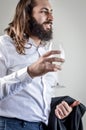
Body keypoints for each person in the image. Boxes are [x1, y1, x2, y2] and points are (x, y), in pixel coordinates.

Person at [0, 0, 80, 130]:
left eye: (51, 12)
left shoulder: (46, 52)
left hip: (41, 126)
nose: (51, 18)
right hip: (11, 125)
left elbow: (46, 96)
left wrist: (58, 109)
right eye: (44, 12)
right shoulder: (4, 45)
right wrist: (29, 72)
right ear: (26, 16)